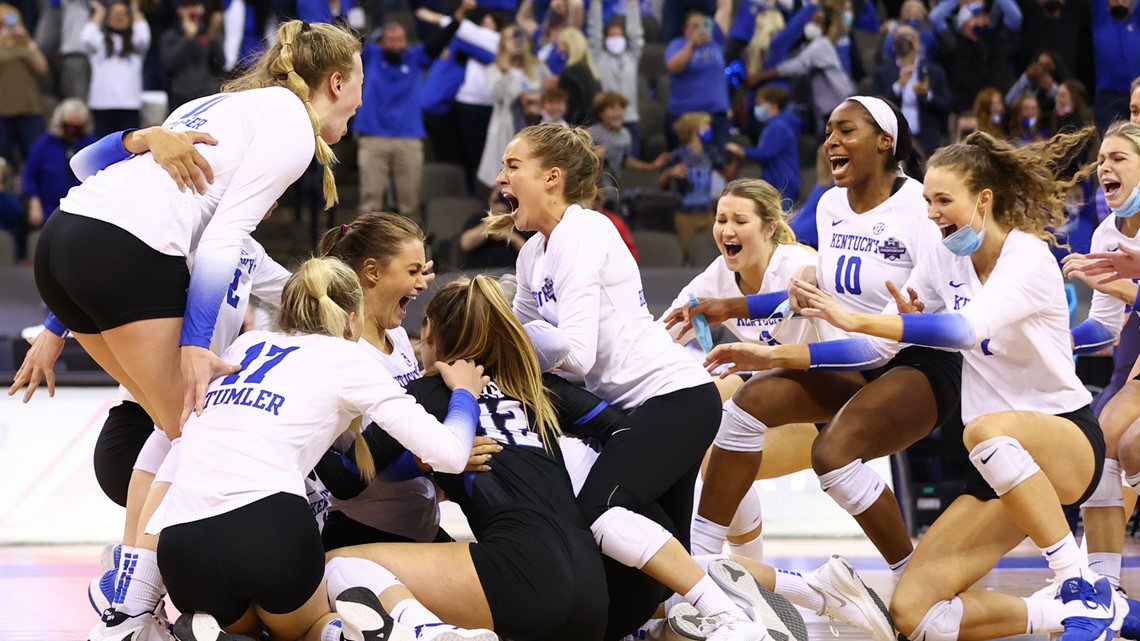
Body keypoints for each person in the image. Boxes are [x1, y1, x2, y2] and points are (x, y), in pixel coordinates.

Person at [716, 126, 1119, 641]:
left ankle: (1078, 584)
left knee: (985, 431)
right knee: (914, 615)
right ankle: (1059, 616)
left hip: (1063, 440)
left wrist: (860, 318)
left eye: (943, 200)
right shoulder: (942, 257)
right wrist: (777, 354)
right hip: (998, 471)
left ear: (984, 199)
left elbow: (962, 328)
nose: (931, 213)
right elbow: (875, 351)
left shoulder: (1029, 258)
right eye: (927, 199)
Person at [31, 22, 363, 637]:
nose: (358, 109)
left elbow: (85, 167)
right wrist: (193, 345)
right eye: (357, 93)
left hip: (61, 242)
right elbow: (222, 244)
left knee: (177, 423)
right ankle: (133, 600)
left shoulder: (217, 106)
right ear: (335, 82)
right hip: (126, 253)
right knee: (196, 424)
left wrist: (142, 136)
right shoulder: (292, 123)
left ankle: (132, 585)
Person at [489, 123, 768, 641]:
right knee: (660, 564)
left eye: (511, 166)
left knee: (598, 512)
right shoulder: (532, 254)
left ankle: (731, 621)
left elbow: (573, 353)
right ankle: (796, 591)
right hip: (628, 414)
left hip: (672, 398)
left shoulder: (586, 230)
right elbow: (519, 343)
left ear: (551, 178)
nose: (500, 178)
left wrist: (506, 330)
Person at [687, 98, 957, 620]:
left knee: (831, 454)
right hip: (851, 354)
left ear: (886, 141)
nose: (831, 140)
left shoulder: (919, 208)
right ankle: (698, 574)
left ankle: (913, 576)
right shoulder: (832, 205)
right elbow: (812, 291)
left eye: (845, 130)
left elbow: (882, 342)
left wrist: (775, 353)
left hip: (916, 361)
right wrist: (732, 306)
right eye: (828, 130)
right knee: (747, 404)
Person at [150, 256, 490, 641]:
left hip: (180, 545)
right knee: (307, 626)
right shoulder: (345, 357)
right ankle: (346, 634)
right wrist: (464, 394)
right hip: (266, 526)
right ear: (352, 317)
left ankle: (219, 636)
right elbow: (450, 453)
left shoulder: (244, 344)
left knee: (252, 627)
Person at [328, 275, 617, 641]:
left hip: (520, 573)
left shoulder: (430, 392)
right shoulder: (534, 386)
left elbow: (347, 477)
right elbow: (626, 434)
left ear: (428, 327)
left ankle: (427, 632)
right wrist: (599, 506)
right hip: (592, 582)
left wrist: (306, 432)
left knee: (339, 565)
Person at [314, 212, 452, 551]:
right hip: (365, 528)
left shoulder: (401, 338)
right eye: (413, 271)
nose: (423, 283)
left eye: (423, 271)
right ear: (373, 272)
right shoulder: (341, 349)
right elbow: (355, 464)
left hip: (420, 522)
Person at [1060, 122, 1140, 593]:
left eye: (1119, 158)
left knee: (1132, 446)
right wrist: (1063, 339)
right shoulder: (1108, 230)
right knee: (1102, 443)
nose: (1105, 167)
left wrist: (1109, 282)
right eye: (1101, 160)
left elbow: (1118, 292)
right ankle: (1103, 586)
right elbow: (1107, 326)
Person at [476, 22, 553, 193]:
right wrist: (506, 66)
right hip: (507, 131)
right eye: (509, 39)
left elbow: (553, 93)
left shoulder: (538, 67)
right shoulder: (494, 70)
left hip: (535, 129)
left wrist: (539, 99)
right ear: (503, 43)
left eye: (517, 37)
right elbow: (497, 95)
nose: (515, 42)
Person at [870, 22, 950, 157]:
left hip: (927, 137)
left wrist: (928, 95)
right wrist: (897, 86)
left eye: (909, 36)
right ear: (894, 44)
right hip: (895, 138)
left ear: (918, 42)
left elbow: (947, 104)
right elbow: (873, 107)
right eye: (900, 36)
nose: (905, 39)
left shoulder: (933, 71)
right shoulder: (883, 72)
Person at [22, 98, 97, 230]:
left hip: (83, 212)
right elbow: (29, 174)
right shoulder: (44, 144)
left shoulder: (92, 144)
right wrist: (34, 201)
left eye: (77, 123)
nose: (72, 127)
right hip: (48, 210)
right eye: (69, 122)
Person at [661, 112, 727, 261]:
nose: (709, 129)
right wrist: (669, 173)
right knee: (686, 255)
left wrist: (737, 158)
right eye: (706, 126)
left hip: (708, 213)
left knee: (714, 254)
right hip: (685, 215)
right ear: (694, 130)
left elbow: (726, 173)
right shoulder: (678, 155)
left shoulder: (711, 152)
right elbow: (662, 183)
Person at [665, 8, 733, 151]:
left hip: (716, 116)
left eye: (703, 24)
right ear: (685, 29)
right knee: (685, 163)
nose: (700, 29)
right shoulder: (677, 44)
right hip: (685, 116)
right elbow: (673, 66)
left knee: (718, 161)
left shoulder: (716, 42)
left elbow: (725, 10)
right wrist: (692, 44)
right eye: (695, 26)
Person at [81, 0, 150, 137]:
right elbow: (86, 37)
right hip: (101, 105)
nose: (120, 16)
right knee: (102, 151)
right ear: (108, 17)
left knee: (129, 154)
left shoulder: (135, 43)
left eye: (124, 13)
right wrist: (100, 12)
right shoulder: (100, 42)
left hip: (129, 105)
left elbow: (144, 35)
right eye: (115, 13)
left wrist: (134, 8)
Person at [725, 85, 801, 204]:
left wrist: (741, 150)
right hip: (781, 185)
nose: (757, 108)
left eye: (760, 104)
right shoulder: (776, 124)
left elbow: (765, 153)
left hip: (781, 186)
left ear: (774, 104)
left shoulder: (778, 126)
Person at [586, 0, 644, 155]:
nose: (616, 39)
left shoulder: (632, 57)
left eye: (619, 35)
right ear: (605, 39)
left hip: (629, 119)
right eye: (611, 36)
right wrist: (596, 4)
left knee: (630, 169)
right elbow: (594, 32)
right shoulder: (598, 57)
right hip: (604, 122)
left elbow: (636, 35)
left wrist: (632, 5)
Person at [0, 3, 47, 167]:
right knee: (4, 159)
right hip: (3, 111)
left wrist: (26, 40)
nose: (7, 27)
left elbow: (42, 68)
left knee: (35, 155)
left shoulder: (24, 44)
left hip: (29, 107)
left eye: (10, 21)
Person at [158, 0, 225, 115]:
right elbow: (168, 63)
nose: (193, 10)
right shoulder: (170, 36)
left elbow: (220, 64)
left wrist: (214, 39)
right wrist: (188, 38)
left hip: (206, 97)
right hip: (179, 99)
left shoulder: (208, 34)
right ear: (180, 10)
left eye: (195, 5)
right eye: (187, 6)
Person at [554, 27, 602, 126]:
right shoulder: (590, 70)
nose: (558, 51)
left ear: (569, 46)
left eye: (560, 46)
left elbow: (573, 109)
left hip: (579, 128)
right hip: (595, 126)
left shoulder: (570, 72)